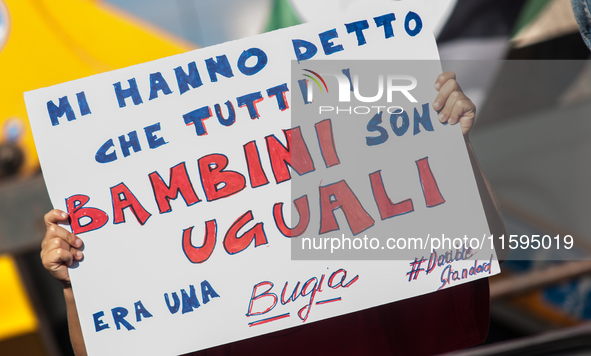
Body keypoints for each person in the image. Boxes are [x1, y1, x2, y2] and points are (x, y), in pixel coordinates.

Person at [41, 72, 506, 356]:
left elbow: (487, 249)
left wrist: (448, 145)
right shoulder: (204, 313)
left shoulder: (368, 275)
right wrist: (75, 284)